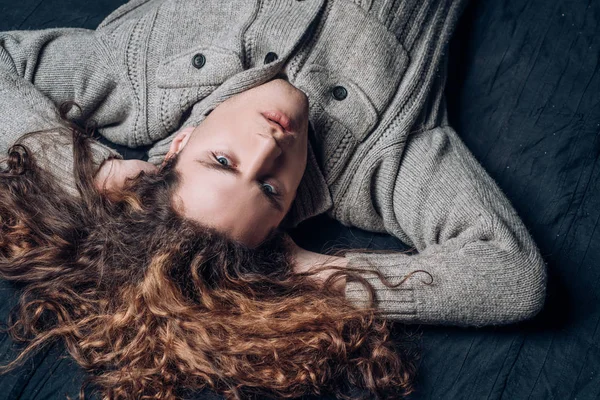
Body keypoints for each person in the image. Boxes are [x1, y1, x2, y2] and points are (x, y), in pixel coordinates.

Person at [0, 0, 548, 397]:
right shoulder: (381, 160)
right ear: (286, 216)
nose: (269, 145)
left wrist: (87, 171)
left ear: (179, 146)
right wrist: (316, 273)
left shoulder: (139, 80)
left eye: (222, 161)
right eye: (269, 188)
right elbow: (512, 277)